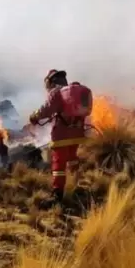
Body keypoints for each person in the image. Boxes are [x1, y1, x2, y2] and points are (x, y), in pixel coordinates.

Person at [29, 69, 93, 209]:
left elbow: (47, 109)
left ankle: (57, 195)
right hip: (77, 133)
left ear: (51, 82)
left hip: (61, 135)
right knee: (72, 158)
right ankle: (77, 185)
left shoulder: (56, 92)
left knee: (59, 164)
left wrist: (34, 116)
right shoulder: (71, 93)